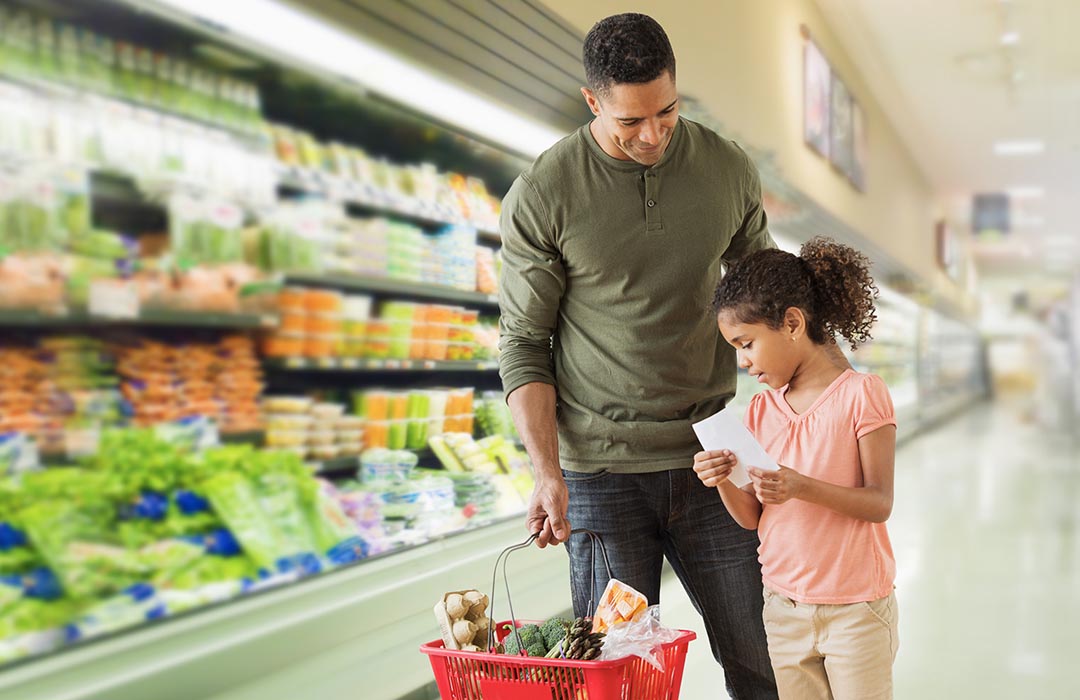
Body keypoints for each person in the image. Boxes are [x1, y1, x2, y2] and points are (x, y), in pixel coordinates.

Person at [498, 12, 778, 698]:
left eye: (667, 112)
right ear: (593, 101)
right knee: (618, 679)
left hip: (716, 454)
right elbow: (525, 345)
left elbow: (768, 299)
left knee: (763, 655)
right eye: (630, 121)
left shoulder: (728, 168)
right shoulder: (545, 192)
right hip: (601, 473)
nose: (653, 134)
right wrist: (547, 473)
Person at [693, 237, 900, 699]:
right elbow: (752, 517)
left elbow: (879, 503)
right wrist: (723, 477)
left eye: (746, 344)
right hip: (783, 606)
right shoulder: (761, 412)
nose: (743, 363)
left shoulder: (861, 394)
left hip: (856, 609)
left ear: (791, 323)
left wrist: (802, 486)